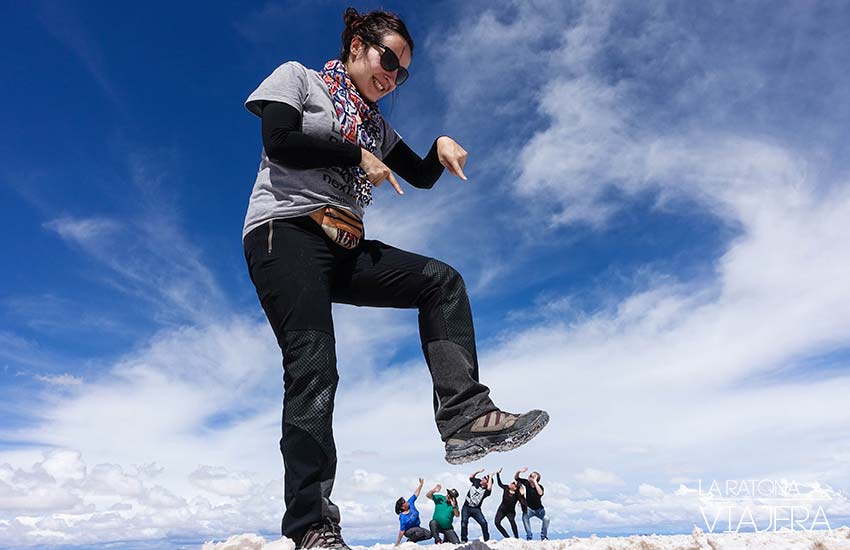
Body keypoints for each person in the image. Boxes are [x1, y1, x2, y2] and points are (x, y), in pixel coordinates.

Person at [241, 6, 549, 550]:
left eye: (402, 72)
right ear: (356, 46)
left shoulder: (375, 125)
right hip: (285, 234)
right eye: (388, 59)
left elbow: (422, 176)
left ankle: (464, 418)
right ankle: (312, 524)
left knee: (440, 282)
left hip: (345, 246)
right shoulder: (299, 79)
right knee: (314, 369)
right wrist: (356, 153)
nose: (393, 76)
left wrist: (441, 146)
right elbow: (280, 142)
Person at [516, 467, 549, 540]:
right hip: (529, 509)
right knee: (524, 517)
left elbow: (540, 493)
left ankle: (543, 537)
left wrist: (535, 481)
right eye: (530, 475)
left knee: (546, 519)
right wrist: (519, 471)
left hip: (539, 510)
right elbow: (516, 478)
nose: (529, 476)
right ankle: (529, 536)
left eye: (532, 476)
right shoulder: (526, 483)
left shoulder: (540, 487)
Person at [395, 478, 431, 545]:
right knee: (420, 531)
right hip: (408, 531)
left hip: (417, 528)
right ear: (402, 507)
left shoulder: (410, 503)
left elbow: (416, 494)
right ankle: (410, 541)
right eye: (404, 502)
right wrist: (398, 543)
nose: (406, 501)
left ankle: (411, 541)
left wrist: (421, 484)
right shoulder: (403, 517)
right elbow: (401, 531)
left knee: (429, 535)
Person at [460, 468, 493, 542]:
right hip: (466, 507)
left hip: (476, 509)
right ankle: (464, 540)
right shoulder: (477, 481)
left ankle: (486, 539)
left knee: (483, 523)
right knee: (464, 523)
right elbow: (471, 477)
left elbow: (489, 488)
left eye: (484, 478)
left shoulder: (486, 491)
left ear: (487, 482)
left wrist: (490, 476)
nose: (482, 478)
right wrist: (478, 471)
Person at [494, 467, 525, 538]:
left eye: (513, 483)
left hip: (510, 511)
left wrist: (522, 495)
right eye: (512, 482)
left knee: (512, 522)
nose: (511, 483)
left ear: (515, 487)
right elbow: (500, 484)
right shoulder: (506, 488)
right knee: (497, 523)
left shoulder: (517, 494)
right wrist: (498, 474)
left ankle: (516, 537)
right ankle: (507, 537)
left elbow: (523, 503)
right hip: (502, 510)